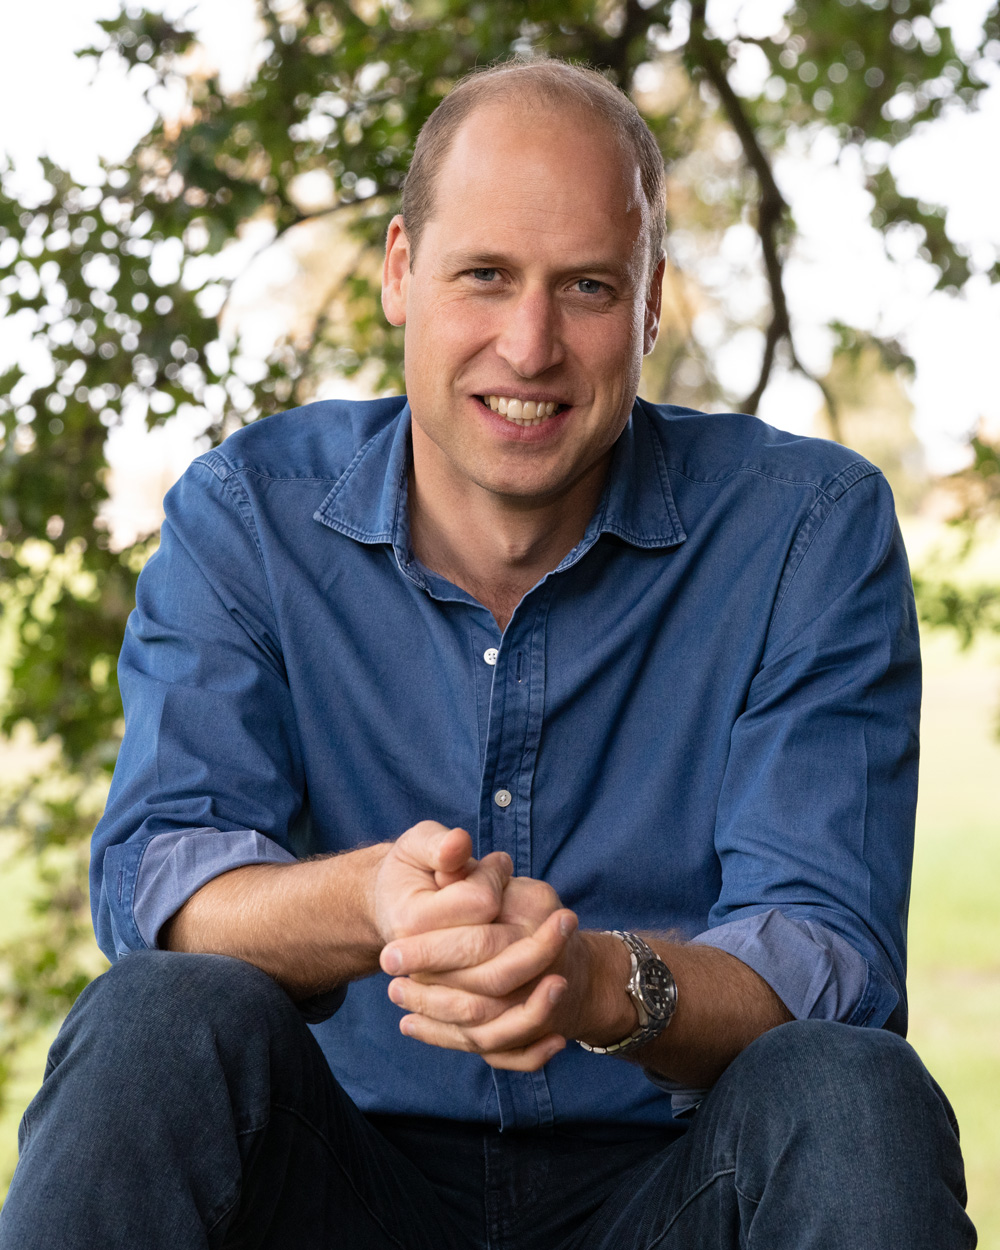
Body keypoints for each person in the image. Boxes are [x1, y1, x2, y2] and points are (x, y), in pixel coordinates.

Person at [0, 58, 975, 1249]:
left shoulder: (804, 530)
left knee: (851, 1086)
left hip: (672, 1188)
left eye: (587, 286)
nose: (530, 343)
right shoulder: (247, 514)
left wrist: (594, 981)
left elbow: (826, 949)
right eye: (485, 275)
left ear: (650, 305)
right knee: (154, 1015)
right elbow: (163, 881)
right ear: (400, 271)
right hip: (335, 1180)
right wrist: (372, 899)